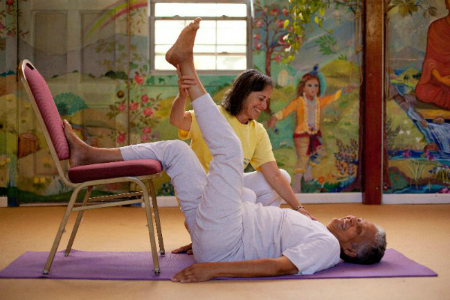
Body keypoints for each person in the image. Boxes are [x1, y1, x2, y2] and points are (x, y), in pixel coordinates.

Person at [63, 18, 386, 282]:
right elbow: (180, 121)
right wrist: (298, 209)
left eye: (358, 226)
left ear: (353, 250)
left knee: (229, 152)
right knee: (176, 149)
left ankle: (186, 65)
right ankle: (89, 154)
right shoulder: (321, 231)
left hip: (223, 235)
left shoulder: (327, 248)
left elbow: (278, 266)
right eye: (359, 219)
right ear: (245, 95)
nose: (352, 218)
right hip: (217, 215)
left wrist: (212, 269)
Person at [170, 62, 313, 216]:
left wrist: (299, 208)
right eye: (261, 98)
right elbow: (177, 120)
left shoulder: (257, 131)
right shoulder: (213, 115)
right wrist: (182, 96)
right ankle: (232, 232)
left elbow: (275, 176)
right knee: (247, 196)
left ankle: (261, 227)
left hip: (229, 187)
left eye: (267, 100)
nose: (264, 106)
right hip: (201, 191)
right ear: (244, 93)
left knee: (283, 176)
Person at [268, 71, 344, 190]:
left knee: (320, 153)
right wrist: (275, 118)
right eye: (309, 85)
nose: (313, 88)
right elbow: (285, 111)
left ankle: (308, 172)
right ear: (303, 87)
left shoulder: (319, 101)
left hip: (315, 134)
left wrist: (342, 91)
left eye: (316, 85)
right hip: (301, 134)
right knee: (303, 158)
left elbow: (330, 98)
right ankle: (297, 184)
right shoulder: (299, 102)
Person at [415, 0, 450, 109]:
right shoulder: (436, 27)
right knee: (423, 91)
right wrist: (441, 79)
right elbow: (431, 61)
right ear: (446, 3)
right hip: (442, 81)